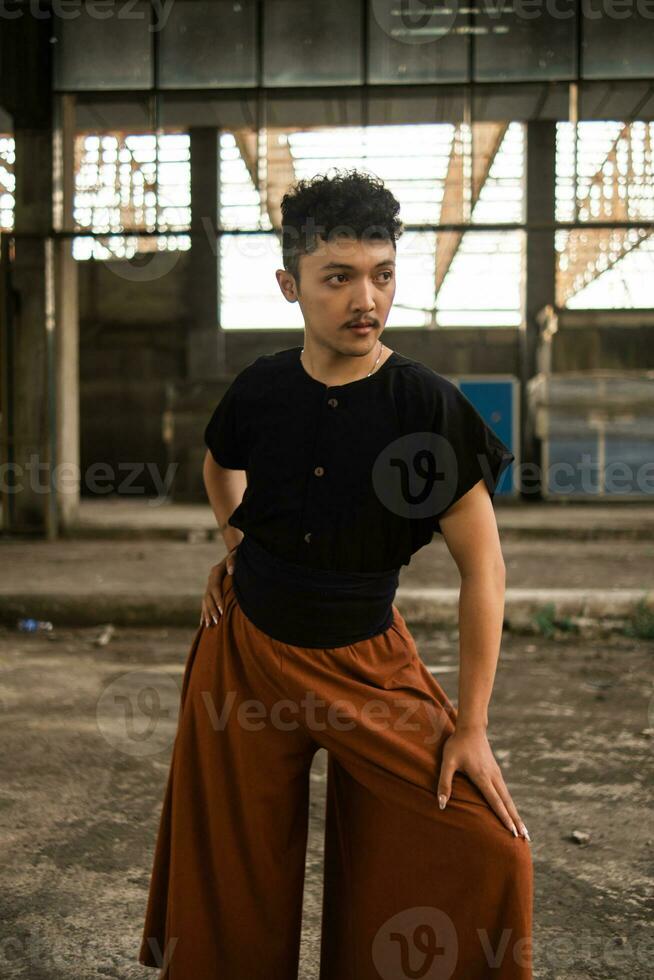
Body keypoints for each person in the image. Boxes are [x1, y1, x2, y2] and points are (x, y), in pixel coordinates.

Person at [138, 169, 533, 979]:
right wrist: (235, 543)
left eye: (382, 275)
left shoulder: (424, 408)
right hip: (243, 656)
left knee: (487, 846)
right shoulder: (265, 388)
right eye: (339, 277)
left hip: (367, 664)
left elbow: (484, 567)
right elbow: (221, 465)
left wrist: (472, 726)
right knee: (232, 875)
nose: (367, 299)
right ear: (291, 285)